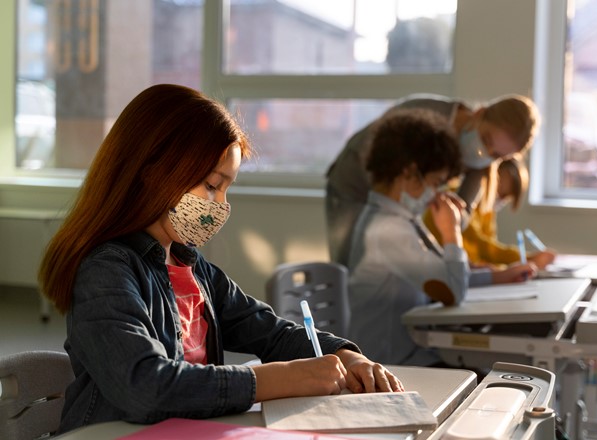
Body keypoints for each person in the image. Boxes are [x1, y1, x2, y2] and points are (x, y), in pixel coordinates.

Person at [37, 84, 403, 434]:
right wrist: (275, 378)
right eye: (212, 185)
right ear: (153, 171)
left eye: (226, 189)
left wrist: (345, 355)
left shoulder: (195, 270)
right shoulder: (107, 270)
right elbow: (145, 386)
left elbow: (271, 331)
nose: (221, 205)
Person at [346, 108, 537, 366]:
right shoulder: (388, 230)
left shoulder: (403, 220)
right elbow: (452, 290)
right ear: (410, 174)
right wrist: (451, 232)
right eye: (436, 182)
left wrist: (500, 276)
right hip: (390, 363)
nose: (437, 193)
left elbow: (444, 274)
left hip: (410, 354)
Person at [325, 93, 540, 268]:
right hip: (353, 186)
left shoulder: (481, 163)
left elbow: (461, 214)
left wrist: (452, 226)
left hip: (394, 207)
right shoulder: (425, 116)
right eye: (486, 140)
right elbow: (378, 159)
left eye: (498, 156)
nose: (486, 153)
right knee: (350, 268)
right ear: (480, 113)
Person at [427, 157, 556, 269]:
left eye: (506, 197)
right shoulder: (455, 201)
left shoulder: (487, 209)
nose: (501, 199)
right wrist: (529, 259)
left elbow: (488, 252)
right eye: (501, 192)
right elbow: (485, 247)